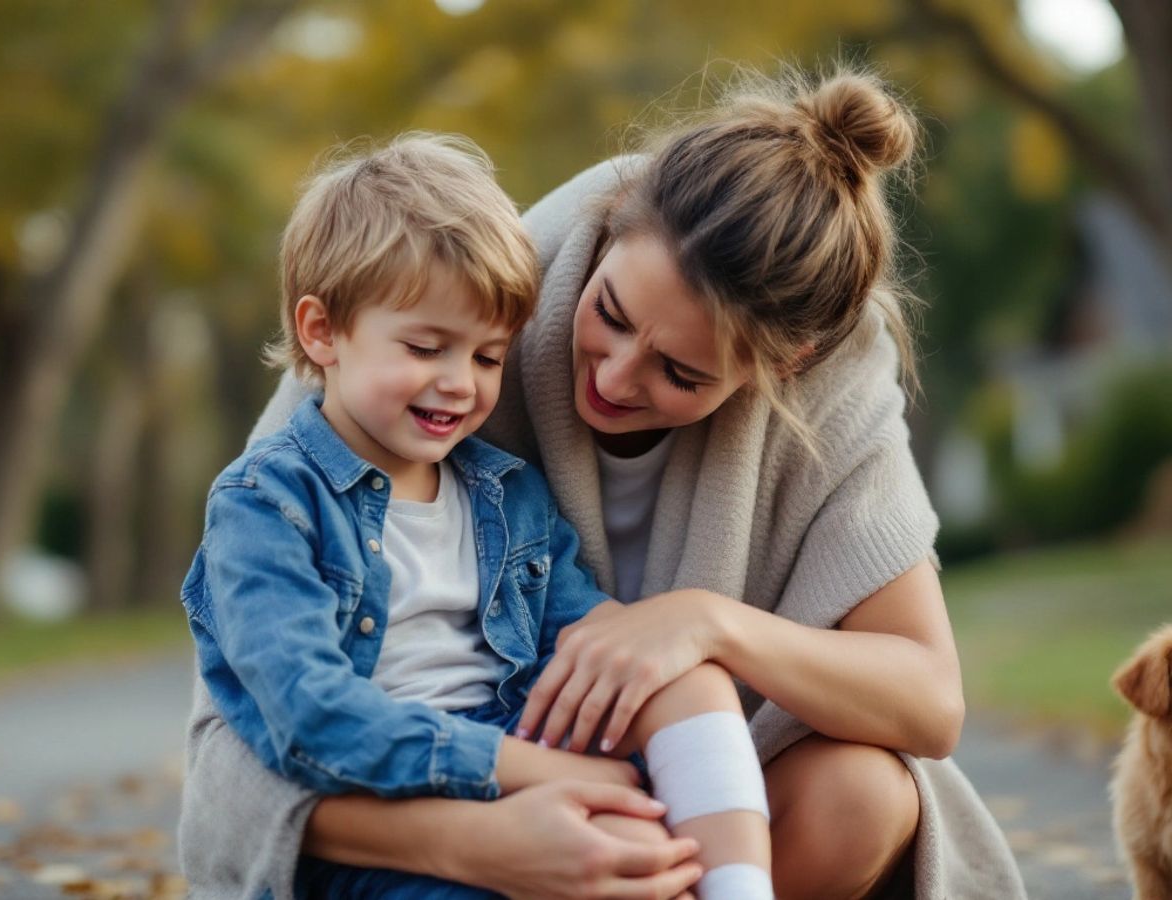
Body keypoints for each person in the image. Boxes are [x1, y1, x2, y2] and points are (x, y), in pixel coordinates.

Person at [178, 67, 1027, 899]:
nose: (616, 380)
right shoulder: (436, 304)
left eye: (681, 373)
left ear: (786, 367)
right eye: (610, 315)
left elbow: (928, 704)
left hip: (648, 775)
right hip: (423, 796)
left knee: (862, 792)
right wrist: (483, 838)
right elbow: (256, 731)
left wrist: (706, 626)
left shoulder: (823, 389)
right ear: (607, 230)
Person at [180, 133, 775, 899]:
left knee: (680, 710)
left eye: (488, 357)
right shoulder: (268, 505)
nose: (460, 384)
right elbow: (312, 719)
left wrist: (621, 723)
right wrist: (540, 771)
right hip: (378, 813)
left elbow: (587, 643)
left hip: (512, 746)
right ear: (322, 331)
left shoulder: (504, 492)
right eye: (428, 347)